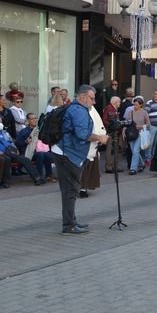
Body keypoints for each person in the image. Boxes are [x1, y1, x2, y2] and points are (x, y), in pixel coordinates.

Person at [51, 85, 109, 234]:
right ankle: (68, 225)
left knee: (71, 189)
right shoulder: (78, 110)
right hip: (67, 154)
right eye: (92, 98)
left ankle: (71, 221)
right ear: (82, 97)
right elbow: (82, 134)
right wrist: (100, 138)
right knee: (70, 190)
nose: (94, 102)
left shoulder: (77, 108)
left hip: (68, 153)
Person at [0, 115, 44, 186]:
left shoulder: (5, 133)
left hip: (10, 152)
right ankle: (5, 181)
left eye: (1, 122)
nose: (0, 124)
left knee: (25, 159)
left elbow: (11, 142)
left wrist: (16, 149)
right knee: (7, 159)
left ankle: (37, 178)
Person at [16, 112, 56, 183]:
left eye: (35, 118)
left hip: (41, 150)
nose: (34, 120)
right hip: (29, 152)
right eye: (32, 119)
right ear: (28, 121)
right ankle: (39, 176)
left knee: (46, 154)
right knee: (41, 154)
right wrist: (25, 142)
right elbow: (18, 143)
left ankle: (49, 176)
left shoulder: (40, 130)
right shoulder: (24, 131)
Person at [78, 104, 105, 198]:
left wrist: (101, 136)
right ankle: (82, 188)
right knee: (84, 166)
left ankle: (84, 187)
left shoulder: (91, 109)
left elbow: (97, 124)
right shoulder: (79, 110)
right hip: (83, 144)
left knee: (88, 166)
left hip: (91, 143)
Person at [126, 97, 150, 175]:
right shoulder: (130, 112)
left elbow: (148, 124)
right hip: (131, 133)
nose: (135, 106)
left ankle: (133, 169)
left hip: (140, 133)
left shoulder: (144, 113)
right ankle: (142, 164)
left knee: (136, 150)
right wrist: (124, 132)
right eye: (134, 105)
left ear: (141, 105)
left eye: (136, 105)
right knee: (134, 151)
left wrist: (140, 126)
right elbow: (127, 123)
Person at [102, 96, 122, 173]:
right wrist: (111, 126)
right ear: (115, 102)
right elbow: (105, 120)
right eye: (119, 102)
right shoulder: (109, 108)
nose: (120, 103)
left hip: (115, 131)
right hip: (111, 132)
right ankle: (109, 167)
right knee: (109, 149)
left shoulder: (114, 109)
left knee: (116, 149)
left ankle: (114, 166)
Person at [145, 90, 157, 164]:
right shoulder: (149, 103)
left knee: (156, 143)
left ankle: (153, 158)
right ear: (153, 95)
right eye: (156, 94)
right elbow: (146, 114)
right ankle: (148, 159)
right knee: (150, 143)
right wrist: (148, 124)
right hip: (152, 126)